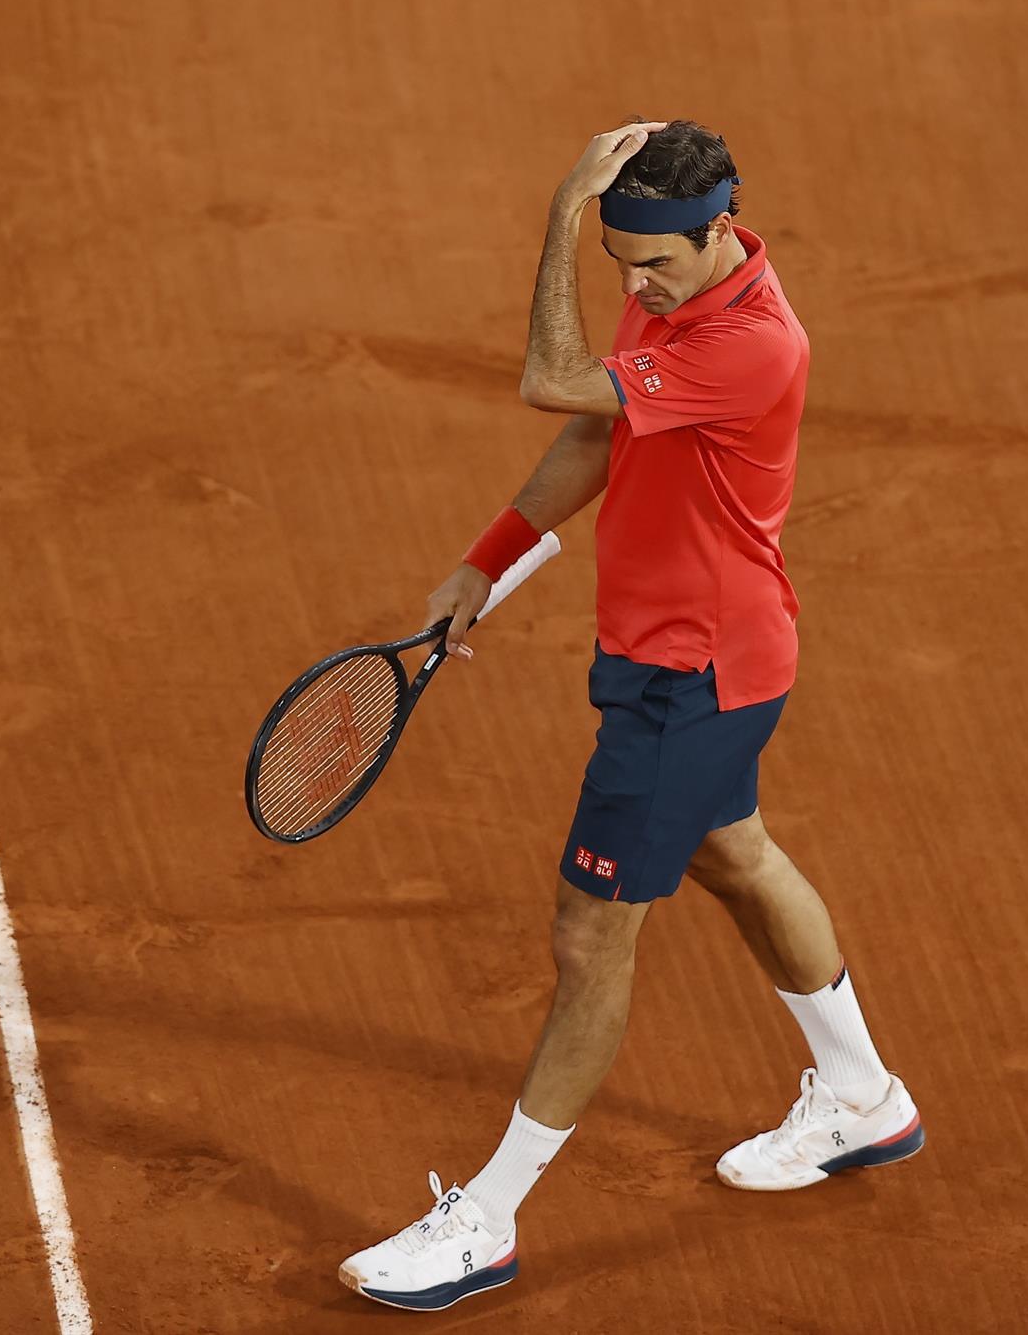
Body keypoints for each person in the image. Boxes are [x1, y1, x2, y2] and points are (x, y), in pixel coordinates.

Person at [339, 121, 924, 1312]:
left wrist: (561, 217)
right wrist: (489, 559)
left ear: (719, 232)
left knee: (590, 935)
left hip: (694, 680)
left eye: (649, 262)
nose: (633, 284)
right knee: (738, 854)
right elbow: (599, 425)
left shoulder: (754, 343)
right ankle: (865, 1096)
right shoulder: (675, 291)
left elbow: (549, 380)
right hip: (677, 659)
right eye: (617, 261)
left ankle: (486, 1221)